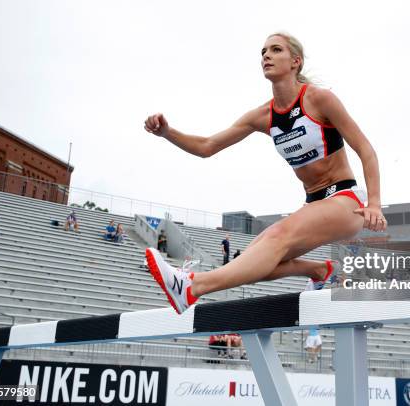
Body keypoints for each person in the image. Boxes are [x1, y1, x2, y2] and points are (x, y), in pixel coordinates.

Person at [143, 32, 386, 314]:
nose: (266, 56)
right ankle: (320, 271)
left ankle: (192, 287)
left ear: (296, 61)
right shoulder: (263, 116)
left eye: (275, 49)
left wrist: (375, 204)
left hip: (345, 199)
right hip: (314, 204)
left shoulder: (320, 100)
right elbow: (207, 146)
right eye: (263, 52)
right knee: (255, 262)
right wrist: (167, 133)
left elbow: (366, 150)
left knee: (277, 236)